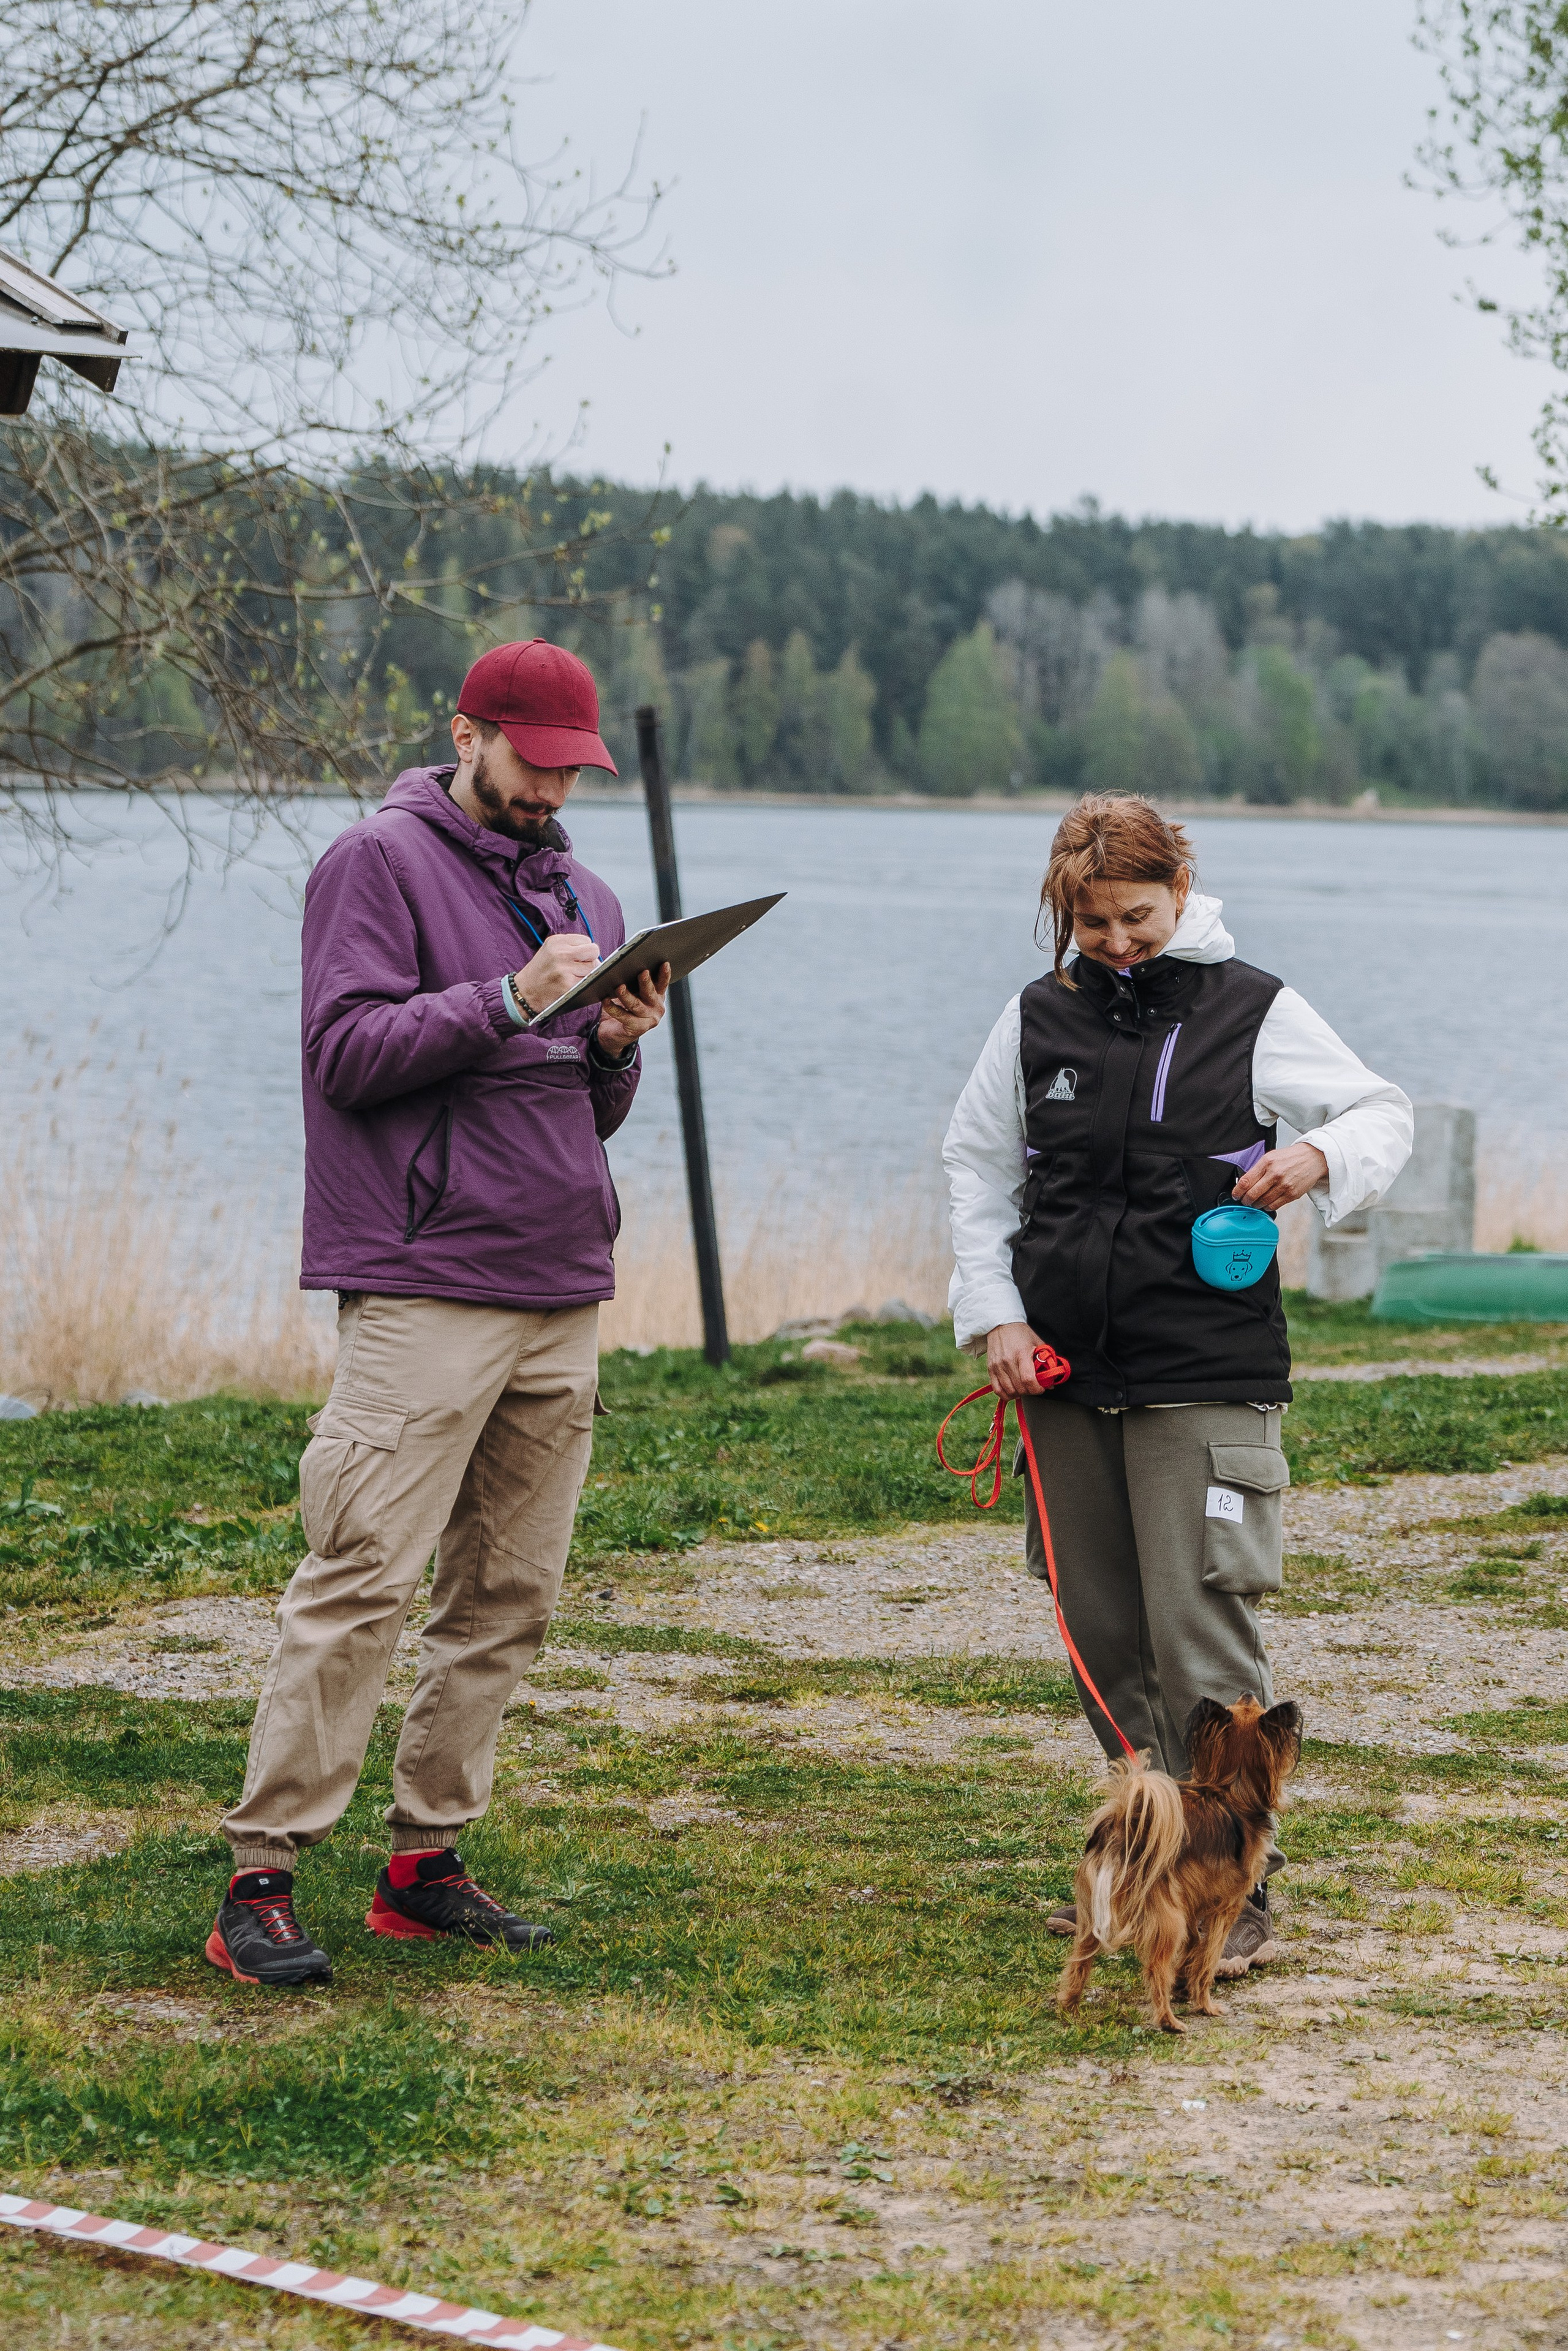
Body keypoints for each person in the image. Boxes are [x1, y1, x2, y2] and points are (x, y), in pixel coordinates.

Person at [206, 638, 669, 1987]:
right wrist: (509, 997)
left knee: (507, 1594)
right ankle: (262, 1874)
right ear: (464, 733)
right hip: (420, 1277)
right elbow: (344, 1054)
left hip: (556, 1281)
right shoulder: (375, 862)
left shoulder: (582, 887)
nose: (549, 791)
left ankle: (425, 1863)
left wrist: (607, 1043)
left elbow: (583, 1113)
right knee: (359, 1577)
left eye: (570, 769)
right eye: (531, 763)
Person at [943, 793, 1412, 1977]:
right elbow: (977, 1166)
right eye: (1093, 921)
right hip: (1062, 1371)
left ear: (1181, 892)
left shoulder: (1250, 1005)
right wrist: (994, 1312)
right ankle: (1149, 1868)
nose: (1116, 942)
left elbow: (1379, 1112)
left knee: (1201, 1631)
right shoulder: (1035, 1018)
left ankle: (1234, 1890)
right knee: (1103, 1629)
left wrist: (1316, 1157)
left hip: (1204, 1369)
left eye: (1136, 917)